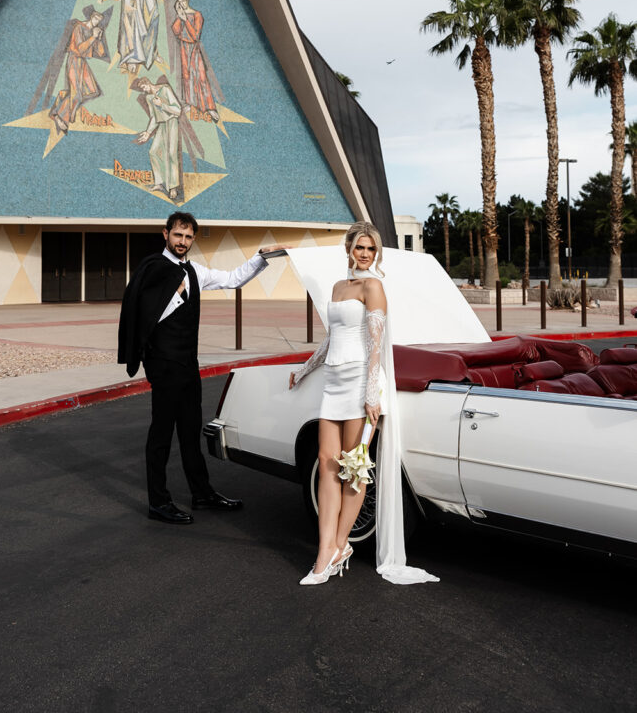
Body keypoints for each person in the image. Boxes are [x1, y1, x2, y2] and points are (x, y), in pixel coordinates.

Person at [289, 221, 439, 586]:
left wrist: (373, 391)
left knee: (352, 468)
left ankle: (340, 545)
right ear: (348, 249)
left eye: (371, 249)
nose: (365, 254)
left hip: (360, 381)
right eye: (360, 247)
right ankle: (326, 549)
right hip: (333, 383)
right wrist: (305, 369)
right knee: (326, 464)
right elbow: (331, 339)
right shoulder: (340, 287)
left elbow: (376, 343)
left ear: (377, 253)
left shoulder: (374, 286)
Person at [118, 212, 282, 525]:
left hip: (187, 364)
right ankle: (159, 502)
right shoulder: (152, 267)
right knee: (162, 435)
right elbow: (135, 311)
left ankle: (202, 493)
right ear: (165, 234)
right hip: (163, 365)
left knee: (191, 431)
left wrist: (262, 258)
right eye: (178, 235)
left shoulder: (195, 271)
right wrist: (142, 356)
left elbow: (234, 279)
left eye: (188, 237)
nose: (182, 242)